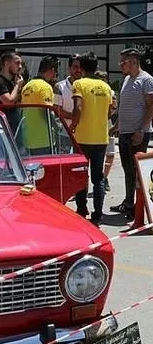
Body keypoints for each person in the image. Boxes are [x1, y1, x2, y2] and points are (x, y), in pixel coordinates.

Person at [70, 52, 113, 227]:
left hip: (82, 137)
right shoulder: (105, 86)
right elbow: (110, 112)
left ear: (82, 67)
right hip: (101, 138)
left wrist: (72, 125)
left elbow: (78, 107)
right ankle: (98, 213)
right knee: (98, 178)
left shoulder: (79, 84)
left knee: (81, 175)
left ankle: (82, 210)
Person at [109, 48, 153, 220]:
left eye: (123, 62)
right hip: (125, 133)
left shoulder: (147, 80)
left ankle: (140, 207)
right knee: (128, 170)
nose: (121, 65)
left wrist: (142, 130)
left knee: (137, 172)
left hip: (138, 133)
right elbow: (124, 107)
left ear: (134, 61)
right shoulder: (127, 79)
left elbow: (151, 106)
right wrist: (115, 126)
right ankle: (128, 203)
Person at [20, 55, 59, 155]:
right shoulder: (45, 87)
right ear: (52, 70)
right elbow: (47, 112)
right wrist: (57, 126)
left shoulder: (27, 86)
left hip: (27, 139)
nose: (55, 75)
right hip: (43, 140)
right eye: (56, 72)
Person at [0, 51, 24, 135]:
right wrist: (17, 85)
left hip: (14, 129)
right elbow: (8, 102)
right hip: (1, 130)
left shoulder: (12, 83)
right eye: (17, 63)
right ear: (7, 63)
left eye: (21, 63)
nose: (20, 67)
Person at [94, 70, 118, 192]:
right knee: (97, 156)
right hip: (94, 127)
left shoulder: (111, 92)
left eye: (103, 79)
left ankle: (104, 177)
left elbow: (114, 108)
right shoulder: (92, 91)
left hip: (107, 126)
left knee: (110, 154)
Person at [54, 54, 82, 127]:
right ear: (69, 68)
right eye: (75, 67)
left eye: (80, 67)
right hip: (66, 133)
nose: (78, 70)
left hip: (84, 133)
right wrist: (76, 117)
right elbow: (57, 110)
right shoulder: (59, 87)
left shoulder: (88, 87)